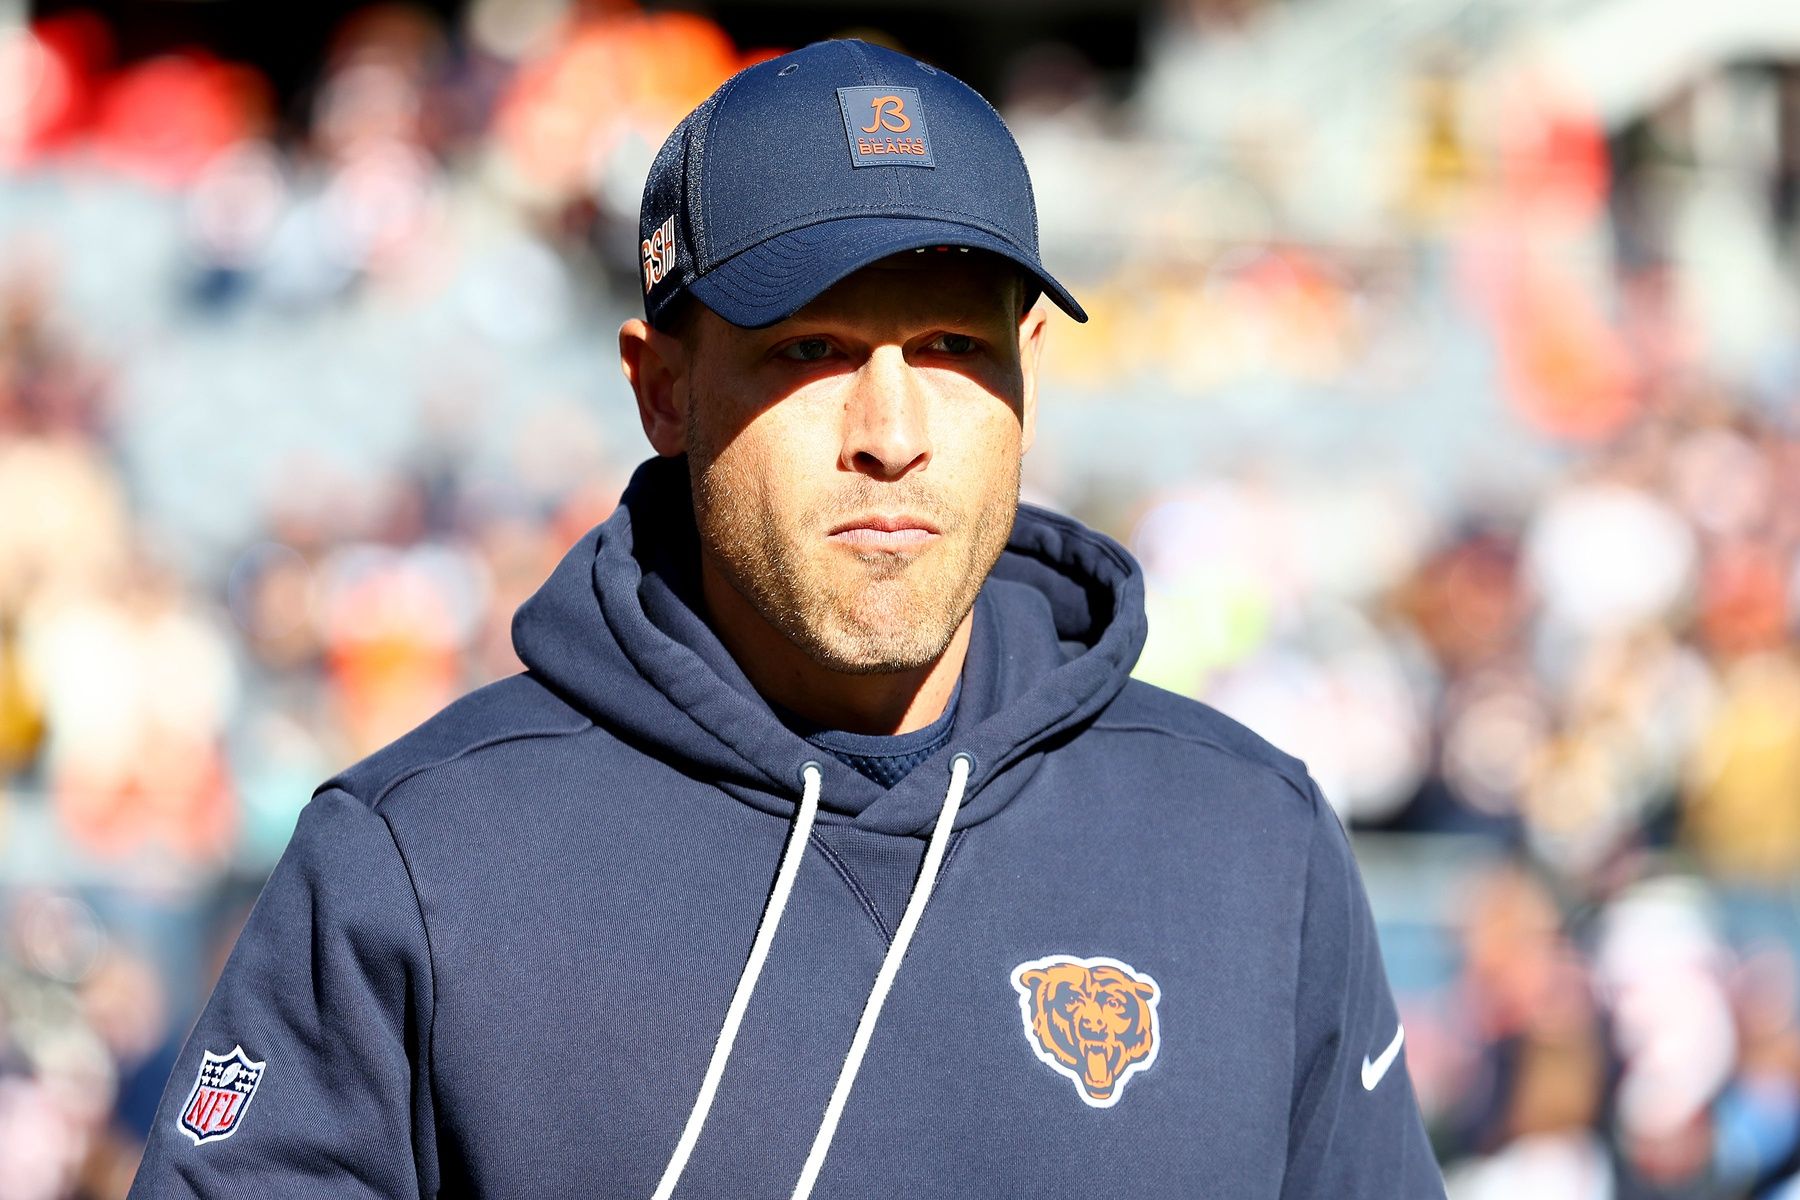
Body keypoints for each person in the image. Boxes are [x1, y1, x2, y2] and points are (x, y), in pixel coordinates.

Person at [128, 37, 1445, 1199]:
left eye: (951, 348)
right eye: (810, 352)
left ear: (1031, 374)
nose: (892, 434)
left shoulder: (1248, 842)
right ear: (663, 391)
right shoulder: (419, 864)